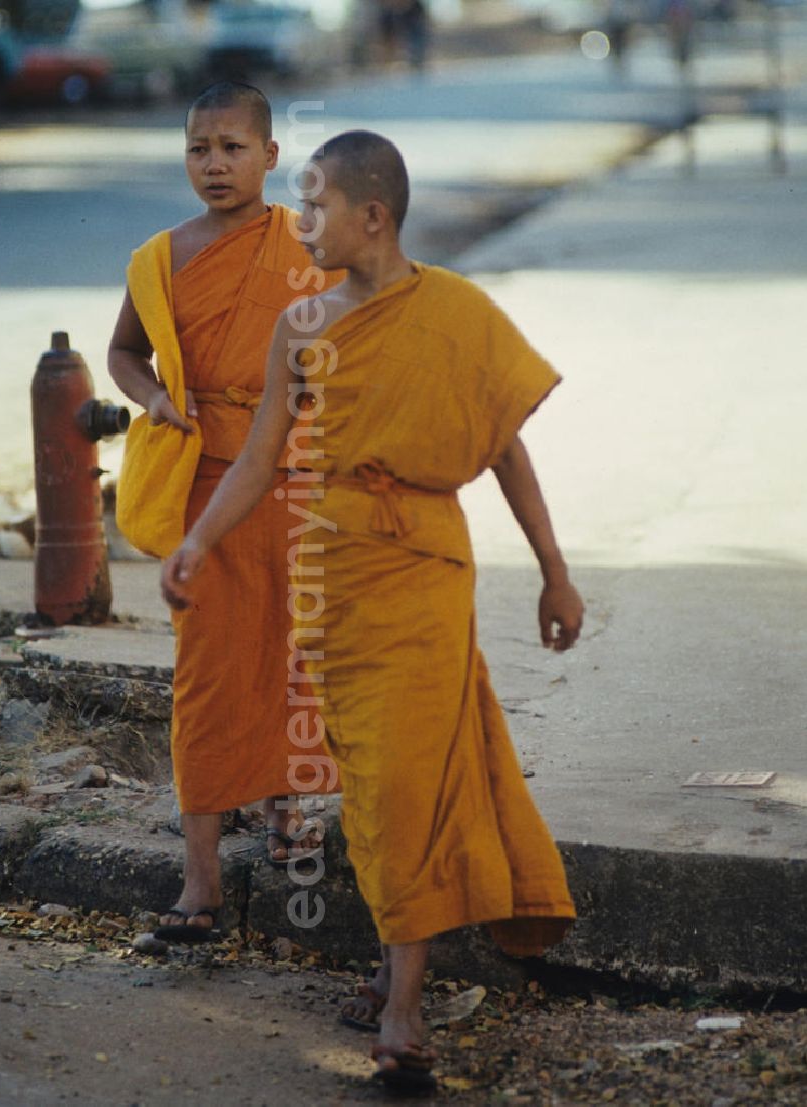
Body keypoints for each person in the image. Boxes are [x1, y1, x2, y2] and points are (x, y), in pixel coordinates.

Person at [160, 129, 584, 1091]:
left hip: (427, 567)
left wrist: (554, 570)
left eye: (313, 207)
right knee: (367, 775)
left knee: (407, 777)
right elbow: (265, 454)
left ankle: (402, 1004)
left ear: (374, 217)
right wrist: (199, 541)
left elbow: (507, 451)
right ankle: (396, 972)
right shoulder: (302, 327)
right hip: (335, 577)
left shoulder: (460, 314)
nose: (298, 222)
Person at [108, 81, 340, 943]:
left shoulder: (307, 244)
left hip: (301, 481)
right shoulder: (161, 258)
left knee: (293, 652)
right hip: (206, 482)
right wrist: (155, 399)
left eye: (234, 147)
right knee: (207, 674)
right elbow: (123, 352)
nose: (215, 164)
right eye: (200, 148)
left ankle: (287, 816)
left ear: (271, 157)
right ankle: (199, 883)